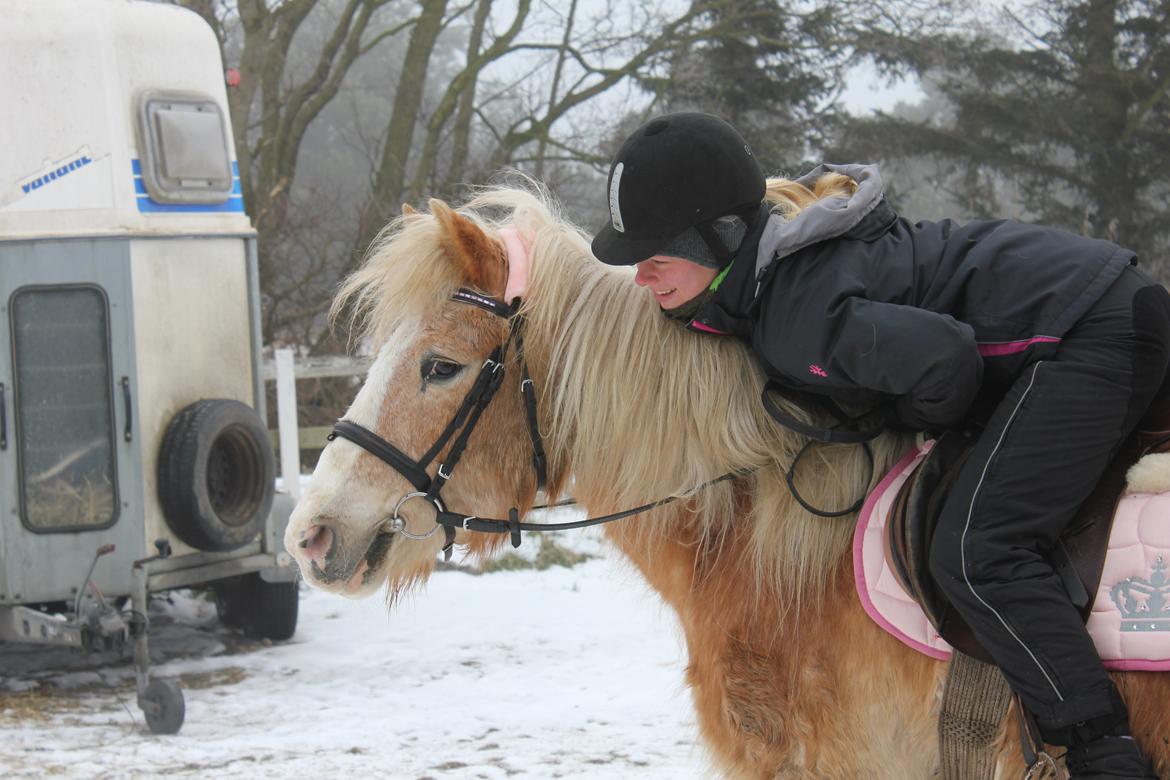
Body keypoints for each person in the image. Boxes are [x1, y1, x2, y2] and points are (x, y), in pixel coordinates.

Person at [590, 111, 1170, 779]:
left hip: (1092, 334)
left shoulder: (794, 317)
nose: (640, 279)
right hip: (1102, 306)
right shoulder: (786, 274)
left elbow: (948, 363)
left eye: (654, 258)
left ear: (717, 240)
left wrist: (911, 413)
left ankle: (1103, 750)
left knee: (979, 550)